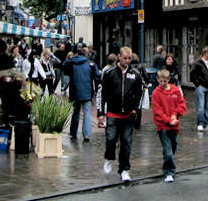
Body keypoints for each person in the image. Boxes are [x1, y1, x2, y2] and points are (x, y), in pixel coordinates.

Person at [96, 46, 145, 182]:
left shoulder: (135, 74)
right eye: (125, 58)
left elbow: (140, 92)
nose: (127, 61)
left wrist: (136, 108)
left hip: (128, 113)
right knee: (111, 138)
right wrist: (100, 112)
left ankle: (124, 169)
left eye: (129, 58)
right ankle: (109, 157)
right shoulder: (109, 73)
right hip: (112, 112)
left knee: (126, 142)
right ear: (119, 57)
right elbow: (101, 93)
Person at [152, 68, 187, 183]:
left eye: (165, 81)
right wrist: (168, 120)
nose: (162, 83)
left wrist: (175, 114)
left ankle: (167, 163)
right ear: (157, 80)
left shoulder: (175, 91)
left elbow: (182, 105)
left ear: (168, 80)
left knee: (173, 147)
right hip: (163, 126)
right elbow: (157, 111)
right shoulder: (156, 93)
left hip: (174, 125)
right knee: (168, 150)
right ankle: (169, 172)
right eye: (160, 81)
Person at [63, 47, 100, 142]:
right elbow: (97, 76)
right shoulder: (90, 64)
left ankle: (73, 132)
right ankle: (87, 134)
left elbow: (64, 67)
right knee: (87, 112)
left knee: (76, 112)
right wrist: (96, 89)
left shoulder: (71, 63)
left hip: (75, 90)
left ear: (76, 53)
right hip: (87, 91)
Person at [190, 46, 208, 132]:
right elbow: (193, 74)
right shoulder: (197, 63)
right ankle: (200, 123)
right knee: (200, 106)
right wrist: (197, 83)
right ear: (206, 53)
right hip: (201, 86)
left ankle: (207, 123)